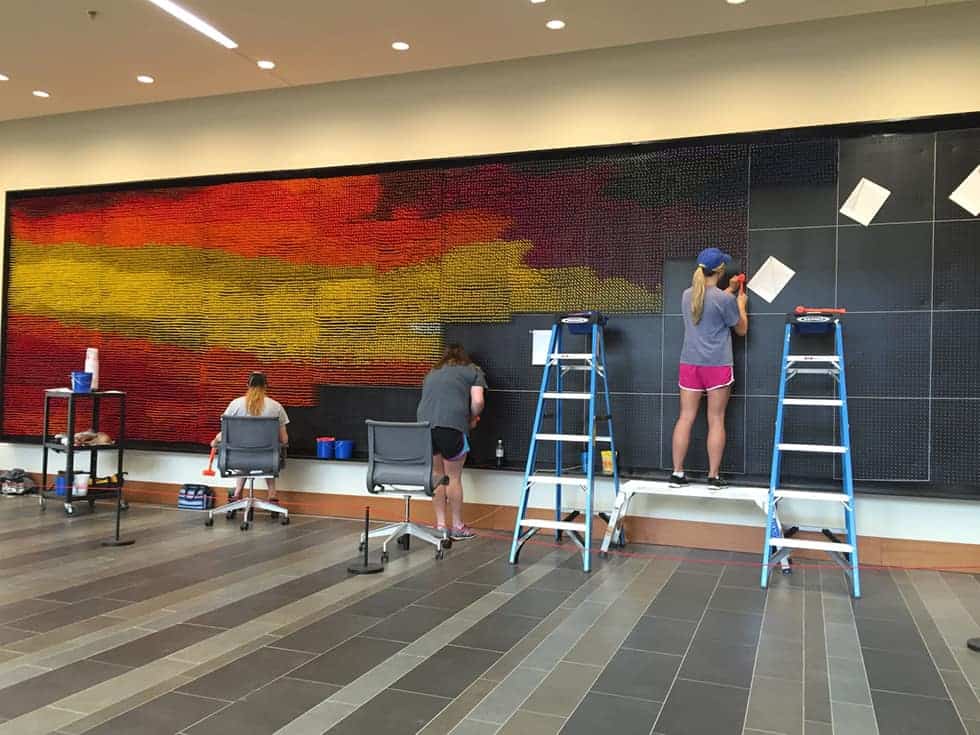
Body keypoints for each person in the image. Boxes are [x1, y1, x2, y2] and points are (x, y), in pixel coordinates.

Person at [670, 247, 748, 489]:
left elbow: (708, 303)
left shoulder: (687, 295)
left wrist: (730, 291)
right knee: (716, 419)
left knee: (685, 417)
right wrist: (740, 304)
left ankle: (677, 474)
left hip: (689, 364)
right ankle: (713, 477)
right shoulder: (725, 300)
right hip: (717, 365)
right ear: (721, 271)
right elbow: (741, 329)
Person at [417, 344, 486, 540]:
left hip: (425, 428)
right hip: (453, 426)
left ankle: (440, 525)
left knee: (437, 475)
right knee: (453, 478)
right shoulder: (473, 370)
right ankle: (457, 526)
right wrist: (472, 417)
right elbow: (478, 401)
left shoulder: (432, 372)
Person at [212, 372, 289, 503]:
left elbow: (226, 432)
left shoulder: (235, 404)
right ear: (266, 386)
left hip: (237, 458)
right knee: (270, 454)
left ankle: (237, 494)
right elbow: (284, 440)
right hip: (267, 459)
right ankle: (272, 495)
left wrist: (215, 441)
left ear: (247, 385)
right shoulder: (276, 407)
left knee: (243, 454)